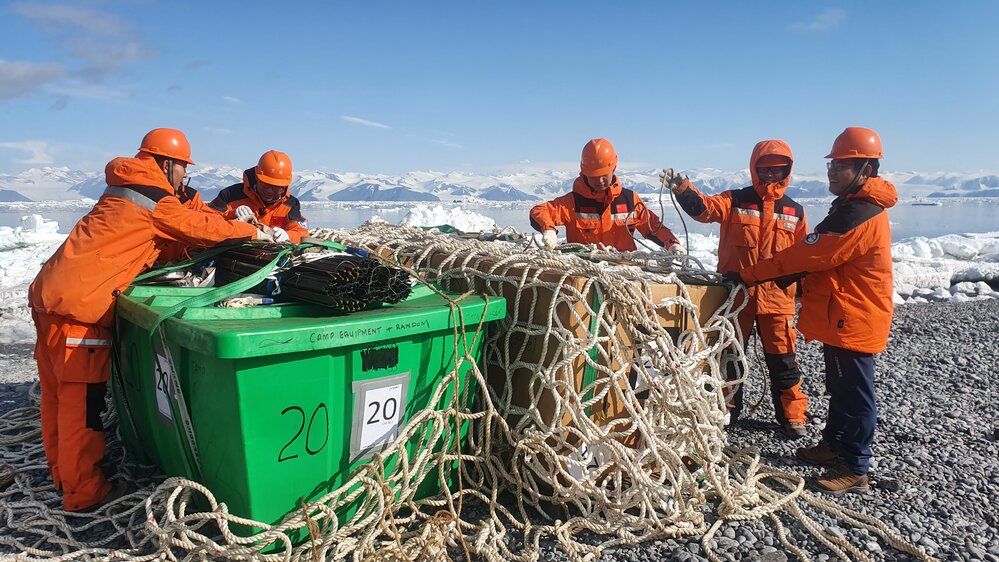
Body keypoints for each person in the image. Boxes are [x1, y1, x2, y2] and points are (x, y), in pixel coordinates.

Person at [28, 128, 271, 512]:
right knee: (82, 406)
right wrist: (252, 231)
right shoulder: (153, 196)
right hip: (80, 311)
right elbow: (203, 230)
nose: (184, 176)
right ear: (167, 163)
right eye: (183, 168)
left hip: (51, 297)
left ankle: (65, 475)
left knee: (56, 397)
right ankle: (84, 492)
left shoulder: (126, 188)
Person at [727, 127, 897, 495]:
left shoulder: (859, 213)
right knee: (840, 386)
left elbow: (808, 254)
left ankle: (855, 467)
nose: (832, 171)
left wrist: (749, 275)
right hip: (843, 315)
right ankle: (833, 445)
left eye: (841, 166)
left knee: (855, 392)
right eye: (832, 164)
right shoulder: (851, 206)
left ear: (866, 170)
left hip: (855, 316)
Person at [662, 140, 810, 439]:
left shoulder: (795, 211)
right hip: (738, 297)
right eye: (764, 169)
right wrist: (682, 189)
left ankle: (793, 416)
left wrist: (807, 297)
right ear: (754, 169)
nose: (770, 174)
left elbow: (803, 258)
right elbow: (704, 210)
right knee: (729, 355)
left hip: (778, 301)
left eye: (777, 169)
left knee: (784, 362)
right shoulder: (735, 200)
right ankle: (727, 410)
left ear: (787, 170)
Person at [530, 138, 683, 252]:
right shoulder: (572, 203)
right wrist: (548, 229)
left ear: (613, 168)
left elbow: (653, 227)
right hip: (585, 272)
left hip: (625, 271)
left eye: (604, 175)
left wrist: (672, 243)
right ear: (584, 172)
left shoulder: (630, 200)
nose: (600, 181)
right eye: (594, 176)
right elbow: (539, 211)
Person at [208, 150, 308, 244]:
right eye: (266, 185)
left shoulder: (291, 205)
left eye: (276, 188)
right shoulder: (230, 195)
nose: (269, 191)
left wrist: (289, 236)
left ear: (284, 186)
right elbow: (206, 221)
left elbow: (302, 233)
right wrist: (232, 214)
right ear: (257, 177)